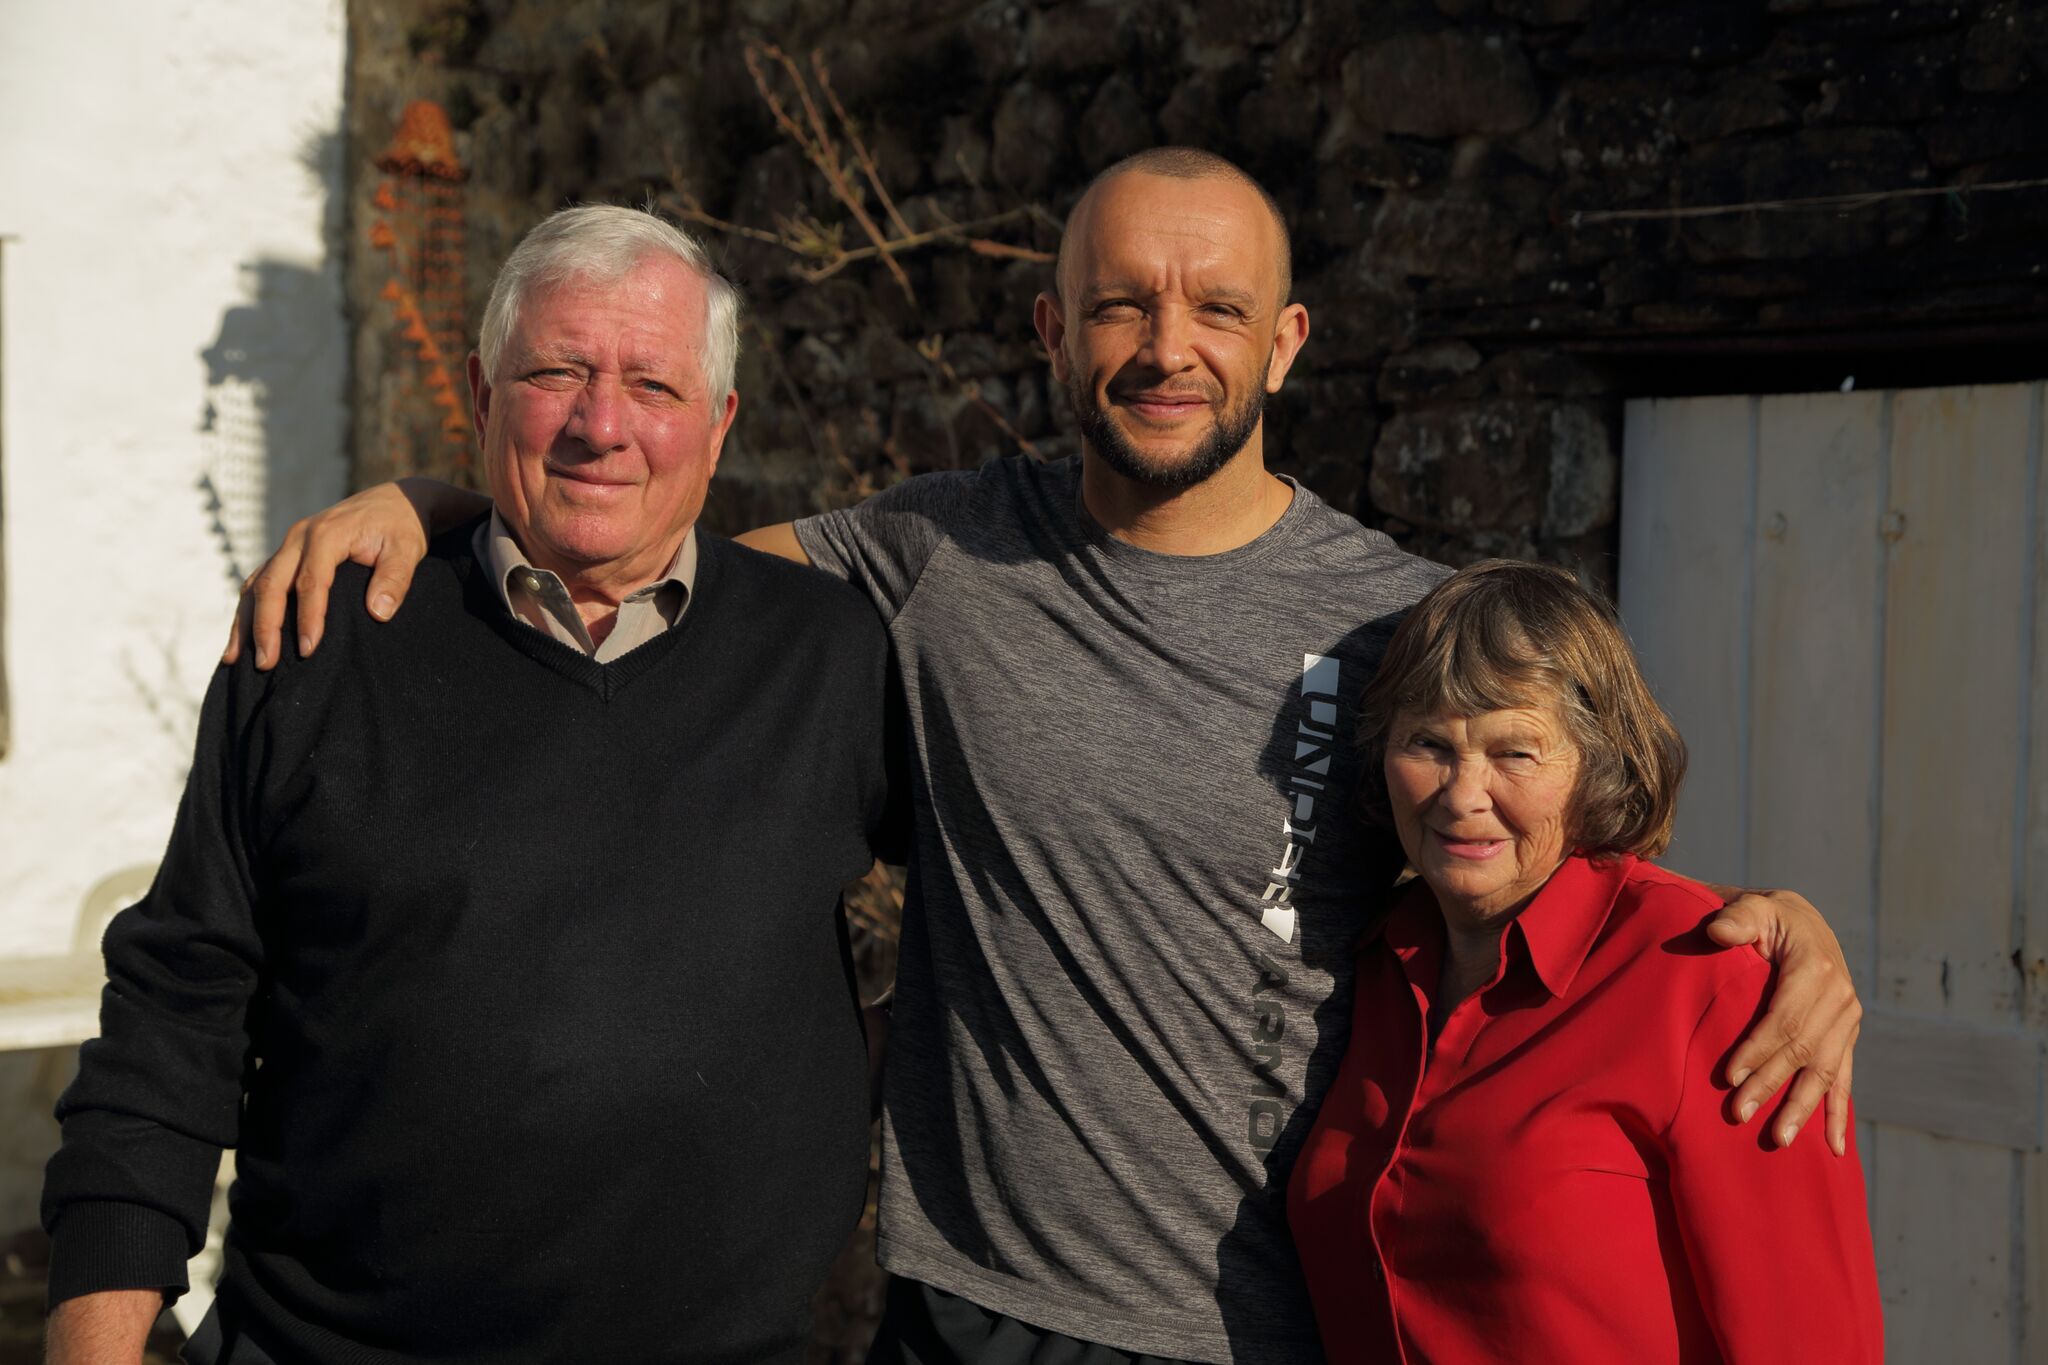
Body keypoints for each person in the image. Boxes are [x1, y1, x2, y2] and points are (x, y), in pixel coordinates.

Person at [224, 149, 1863, 1365]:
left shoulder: (1400, 626)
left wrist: (1775, 930)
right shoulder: (931, 556)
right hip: (968, 1318)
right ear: (1049, 330)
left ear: (1283, 342)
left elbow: (1554, 874)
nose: (1167, 345)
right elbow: (644, 540)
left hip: (1266, 1328)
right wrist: (440, 504)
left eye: (1215, 307)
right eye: (1119, 305)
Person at [43, 206, 901, 1364]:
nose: (602, 426)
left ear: (718, 421)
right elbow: (177, 999)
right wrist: (95, 1337)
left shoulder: (830, 659)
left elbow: (1010, 912)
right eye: (555, 374)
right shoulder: (319, 641)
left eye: (652, 385)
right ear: (479, 393)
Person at [1288, 559, 1882, 1364]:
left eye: (1516, 753)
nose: (1463, 794)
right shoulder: (1377, 964)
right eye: (1428, 742)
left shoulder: (1708, 981)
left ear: (1597, 765)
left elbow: (1813, 1343)